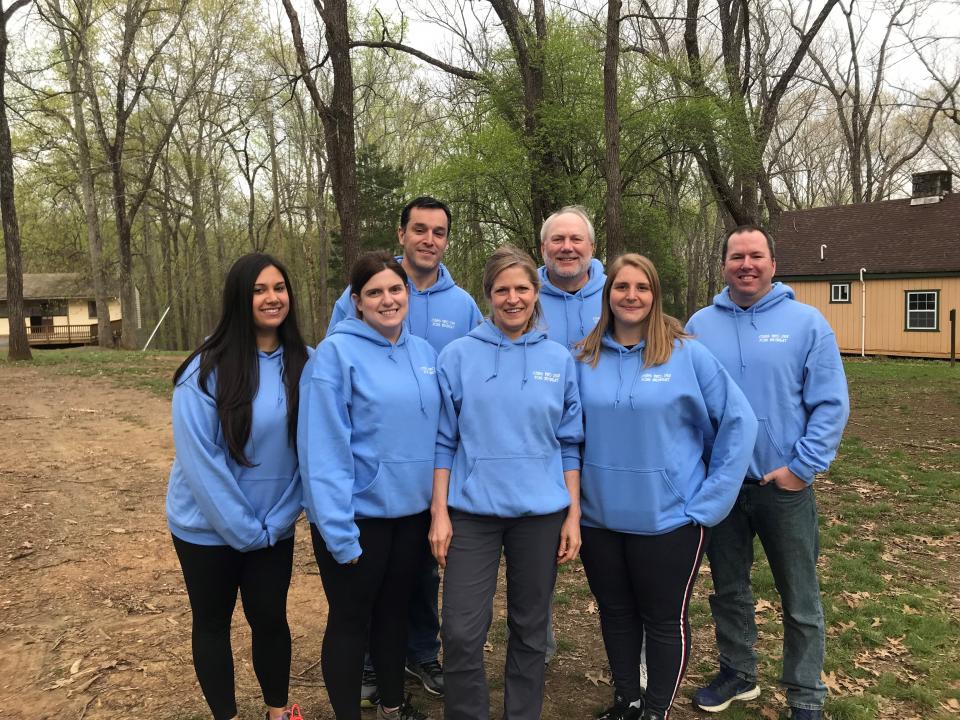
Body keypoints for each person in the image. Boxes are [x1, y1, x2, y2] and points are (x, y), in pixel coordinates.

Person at [575, 254, 757, 720]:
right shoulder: (583, 357)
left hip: (670, 520)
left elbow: (739, 422)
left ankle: (655, 710)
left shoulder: (686, 354)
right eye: (621, 287)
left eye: (642, 287)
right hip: (600, 520)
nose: (631, 295)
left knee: (662, 621)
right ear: (607, 294)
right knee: (615, 615)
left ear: (655, 296)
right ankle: (627, 702)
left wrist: (712, 500)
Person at [686, 226, 850, 720]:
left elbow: (831, 405)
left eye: (756, 256)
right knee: (729, 589)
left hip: (782, 486)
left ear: (773, 264)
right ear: (723, 266)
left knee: (800, 596)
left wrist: (801, 468)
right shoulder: (699, 324)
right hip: (724, 488)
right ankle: (739, 673)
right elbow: (687, 403)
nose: (746, 265)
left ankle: (805, 693)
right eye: (736, 256)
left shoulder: (807, 324)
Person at [328, 196, 482, 704]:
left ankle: (421, 654)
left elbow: (478, 371)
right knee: (372, 588)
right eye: (419, 229)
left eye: (439, 231)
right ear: (402, 235)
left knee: (422, 572)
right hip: (373, 484)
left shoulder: (461, 305)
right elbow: (340, 380)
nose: (429, 240)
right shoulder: (362, 295)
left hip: (430, 475)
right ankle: (373, 665)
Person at [430, 245, 584, 720]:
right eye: (502, 290)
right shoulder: (457, 356)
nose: (512, 298)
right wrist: (439, 512)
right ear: (488, 296)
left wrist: (573, 514)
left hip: (539, 515)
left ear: (536, 293)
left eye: (522, 288)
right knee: (459, 630)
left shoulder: (558, 360)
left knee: (530, 629)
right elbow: (443, 440)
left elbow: (569, 442)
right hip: (471, 513)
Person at [166, 253, 309, 720]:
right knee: (212, 624)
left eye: (279, 288)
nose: (272, 298)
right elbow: (200, 463)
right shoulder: (204, 369)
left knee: (270, 619)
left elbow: (313, 452)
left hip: (273, 527)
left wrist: (282, 517)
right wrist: (245, 529)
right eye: (259, 290)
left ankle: (277, 711)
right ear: (239, 299)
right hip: (205, 529)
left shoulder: (306, 364)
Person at [299, 252, 440, 720]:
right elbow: (323, 451)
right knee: (350, 623)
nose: (388, 300)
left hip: (410, 516)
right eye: (375, 292)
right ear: (356, 302)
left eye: (395, 290)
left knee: (395, 617)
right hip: (357, 519)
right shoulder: (333, 356)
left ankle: (393, 708)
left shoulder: (423, 354)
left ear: (408, 294)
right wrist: (338, 531)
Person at [538, 205, 606, 350]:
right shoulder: (523, 298)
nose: (567, 247)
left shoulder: (615, 294)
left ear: (592, 248)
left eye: (576, 239)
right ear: (543, 248)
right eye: (557, 239)